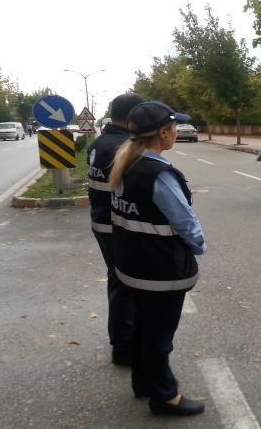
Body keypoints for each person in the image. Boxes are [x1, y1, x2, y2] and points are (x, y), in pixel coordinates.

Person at [108, 100, 206, 417]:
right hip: (160, 272)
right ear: (164, 132)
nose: (177, 132)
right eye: (175, 127)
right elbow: (186, 223)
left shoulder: (125, 164)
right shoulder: (158, 174)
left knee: (143, 329)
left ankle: (143, 383)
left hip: (132, 266)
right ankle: (165, 397)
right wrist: (199, 246)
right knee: (159, 337)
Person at [87, 93, 145, 367]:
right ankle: (124, 346)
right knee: (127, 285)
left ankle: (122, 343)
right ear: (133, 116)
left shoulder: (99, 142)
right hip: (119, 227)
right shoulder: (124, 146)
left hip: (102, 223)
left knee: (118, 281)